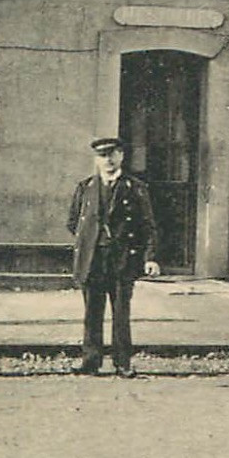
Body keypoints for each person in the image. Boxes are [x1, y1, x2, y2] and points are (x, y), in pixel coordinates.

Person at [66, 136, 161, 377]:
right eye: (102, 156)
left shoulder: (135, 188)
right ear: (96, 160)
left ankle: (123, 363)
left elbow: (148, 226)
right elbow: (73, 222)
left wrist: (149, 257)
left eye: (112, 154)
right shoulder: (85, 187)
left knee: (121, 313)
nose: (108, 160)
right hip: (93, 259)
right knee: (92, 313)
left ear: (121, 156)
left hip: (122, 260)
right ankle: (91, 360)